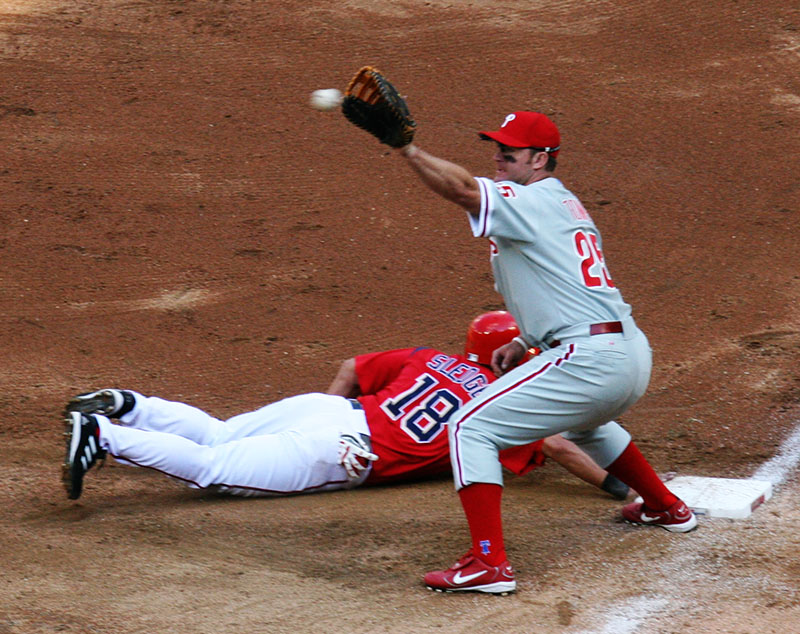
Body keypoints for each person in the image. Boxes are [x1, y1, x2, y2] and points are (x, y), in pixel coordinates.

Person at [386, 111, 696, 596]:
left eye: (509, 151)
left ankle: (488, 565)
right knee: (584, 423)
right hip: (625, 352)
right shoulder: (558, 204)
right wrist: (526, 340)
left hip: (592, 357)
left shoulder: (530, 200)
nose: (498, 156)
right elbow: (561, 284)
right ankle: (664, 506)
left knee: (470, 427)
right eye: (497, 147)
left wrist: (408, 151)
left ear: (541, 158)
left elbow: (465, 191)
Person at [61, 311, 630, 503]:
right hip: (346, 449)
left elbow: (355, 369)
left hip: (330, 414)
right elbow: (555, 444)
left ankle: (129, 406)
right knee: (212, 473)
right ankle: (103, 435)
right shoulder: (507, 401)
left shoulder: (429, 357)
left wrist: (325, 416)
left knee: (219, 433)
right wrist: (617, 487)